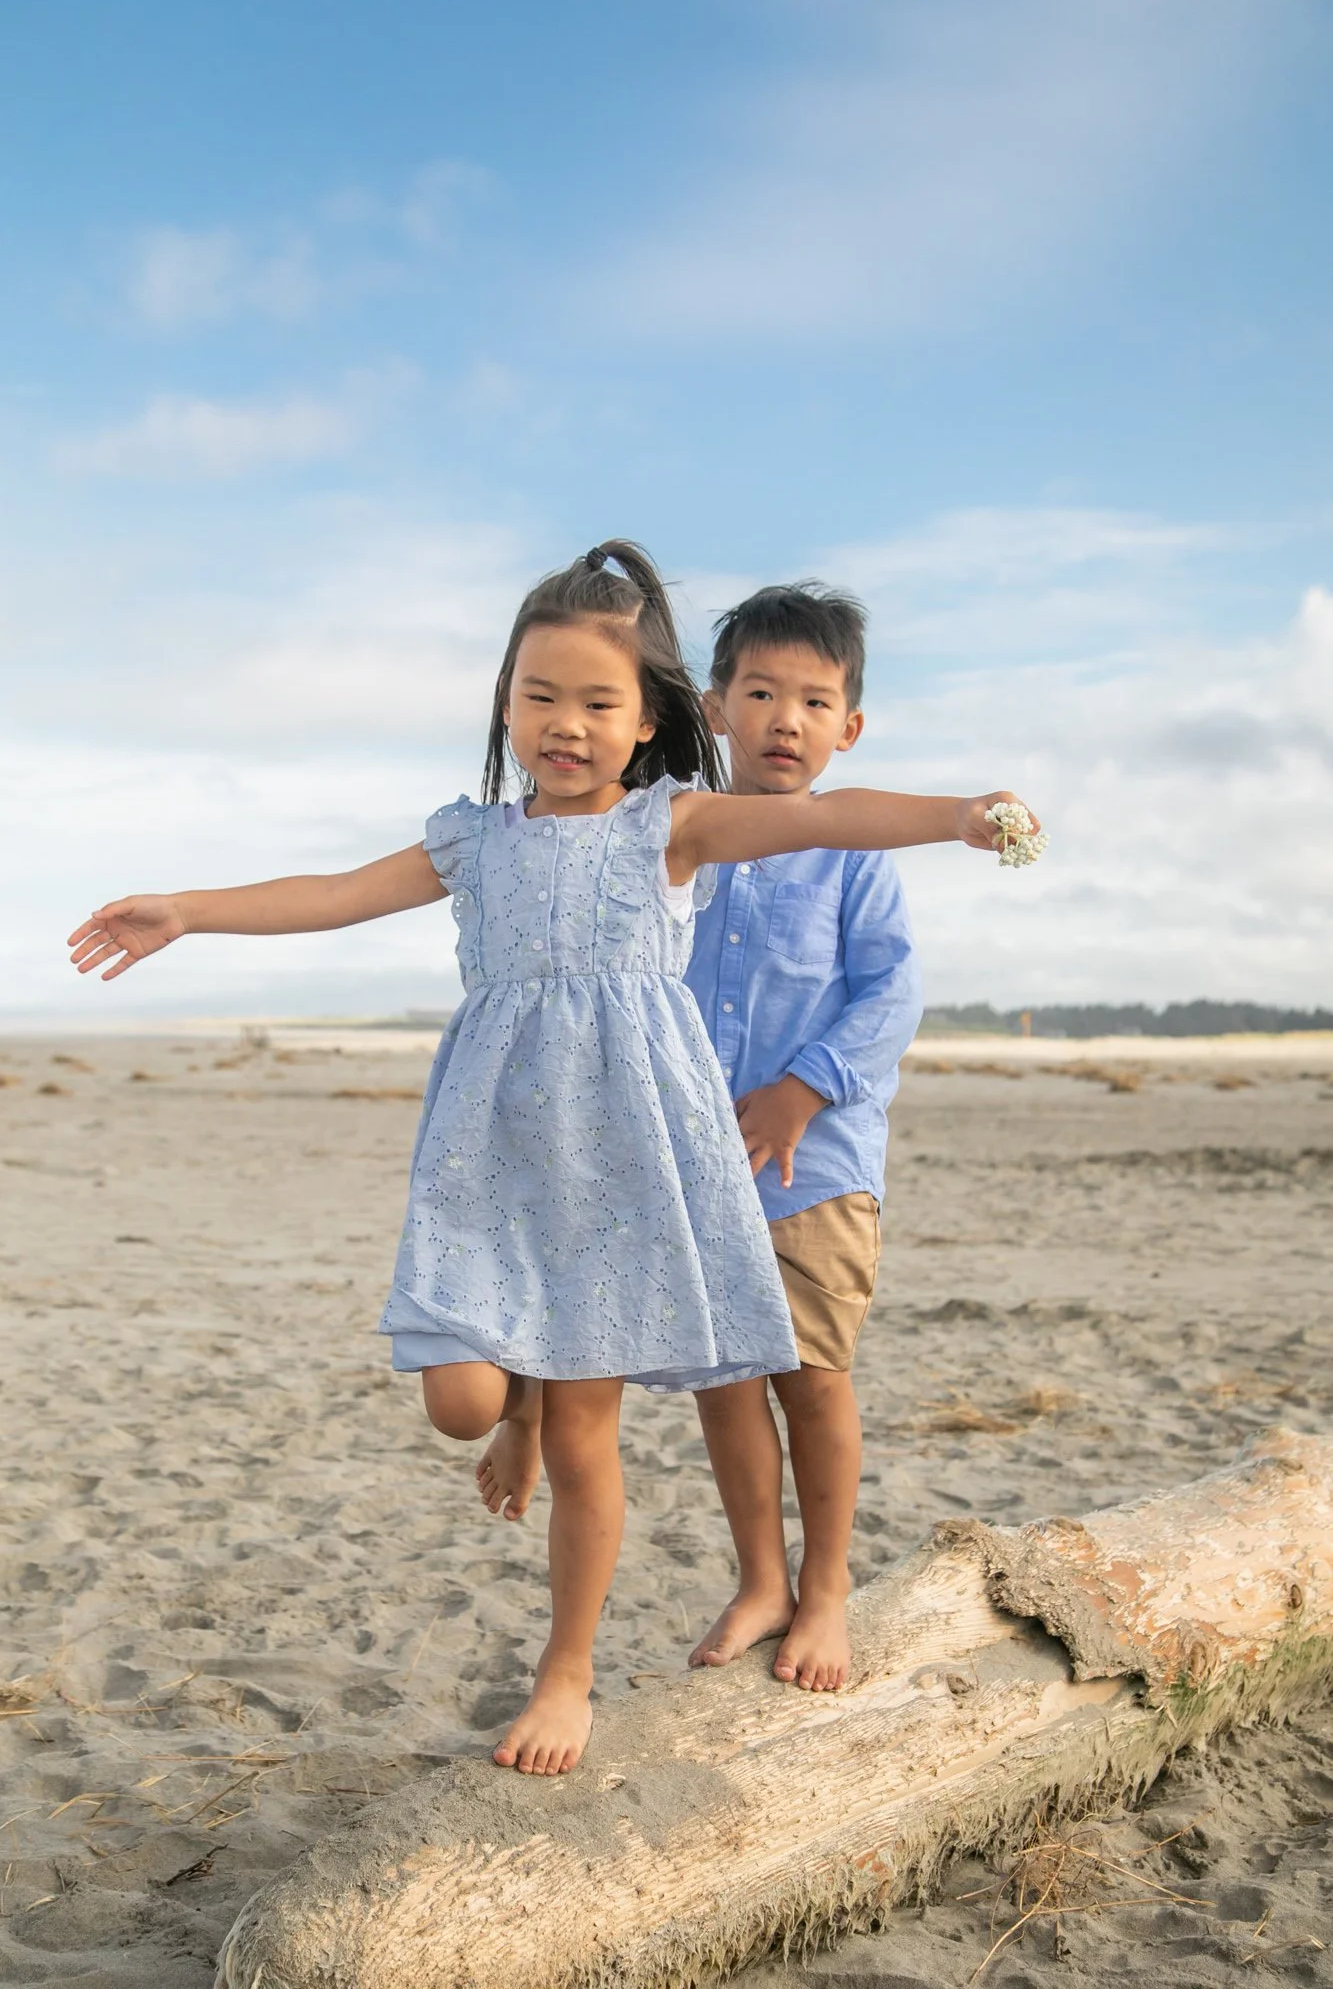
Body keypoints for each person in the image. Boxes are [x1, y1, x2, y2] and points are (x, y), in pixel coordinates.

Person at [67, 540, 1036, 1777]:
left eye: (596, 702)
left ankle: (564, 1668)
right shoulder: (474, 844)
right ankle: (509, 1411)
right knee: (460, 1396)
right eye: (540, 696)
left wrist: (957, 817)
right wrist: (190, 907)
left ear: (645, 726)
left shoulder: (667, 829)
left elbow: (832, 812)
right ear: (505, 706)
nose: (564, 724)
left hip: (623, 1168)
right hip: (491, 1163)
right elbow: (333, 891)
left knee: (588, 1437)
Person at [685, 583, 920, 1695]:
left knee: (812, 1375)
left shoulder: (854, 852)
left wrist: (803, 1088)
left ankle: (825, 1585)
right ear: (715, 703)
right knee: (724, 1381)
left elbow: (890, 992)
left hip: (814, 1167)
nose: (786, 717)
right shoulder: (680, 838)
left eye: (813, 700)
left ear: (847, 727)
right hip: (695, 1168)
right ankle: (759, 1577)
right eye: (763, 691)